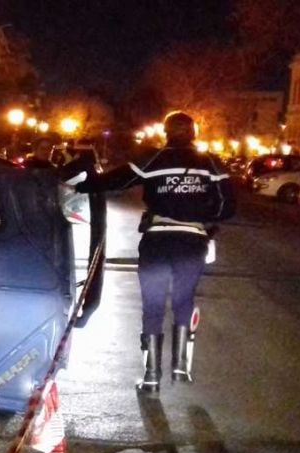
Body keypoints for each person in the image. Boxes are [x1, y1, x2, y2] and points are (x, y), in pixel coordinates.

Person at [78, 111, 234, 393]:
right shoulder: (210, 163)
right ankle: (181, 367)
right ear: (194, 132)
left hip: (156, 241)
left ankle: (150, 376)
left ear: (166, 132)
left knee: (153, 305)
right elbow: (227, 206)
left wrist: (82, 184)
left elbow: (117, 180)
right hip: (191, 242)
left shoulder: (153, 159)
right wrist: (202, 218)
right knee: (184, 299)